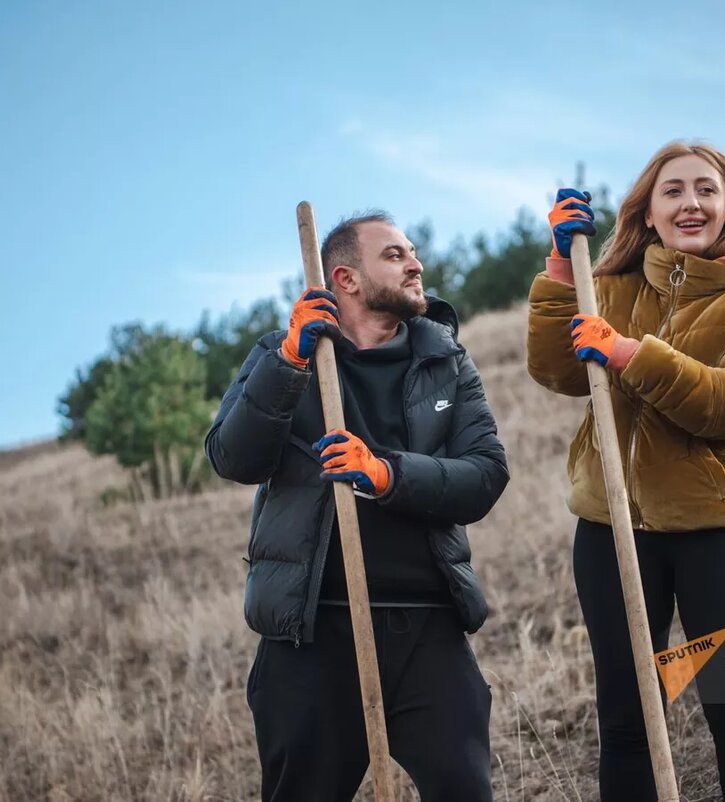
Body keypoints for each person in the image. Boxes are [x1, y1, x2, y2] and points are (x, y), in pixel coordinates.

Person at [527, 142, 725, 801]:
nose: (690, 202)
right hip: (614, 525)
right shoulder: (609, 291)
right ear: (647, 214)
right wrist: (564, 272)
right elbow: (556, 370)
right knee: (626, 718)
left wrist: (627, 353)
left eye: (706, 190)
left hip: (721, 526)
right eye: (672, 191)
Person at [206, 211, 509, 802]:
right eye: (394, 255)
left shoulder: (445, 361)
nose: (416, 263)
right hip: (313, 632)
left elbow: (485, 476)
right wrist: (289, 363)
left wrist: (385, 473)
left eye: (413, 252)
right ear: (343, 278)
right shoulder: (281, 355)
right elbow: (233, 457)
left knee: (463, 787)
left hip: (427, 626)